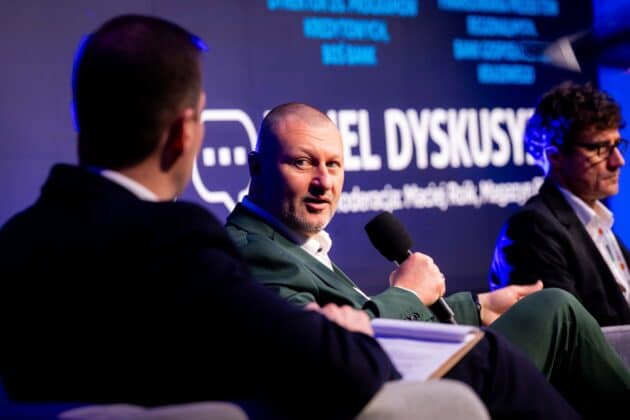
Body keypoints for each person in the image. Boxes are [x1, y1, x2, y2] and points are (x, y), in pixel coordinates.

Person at [0, 15, 405, 420]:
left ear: (79, 115)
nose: (323, 180)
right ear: (184, 132)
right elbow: (341, 372)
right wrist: (349, 333)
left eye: (333, 164)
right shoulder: (172, 243)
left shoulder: (14, 240)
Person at [225, 101, 630, 418]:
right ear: (256, 167)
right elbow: (321, 352)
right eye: (302, 162)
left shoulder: (291, 241)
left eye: (333, 164)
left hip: (407, 382)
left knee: (552, 310)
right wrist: (407, 293)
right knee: (556, 311)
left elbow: (364, 322)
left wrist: (477, 306)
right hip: (393, 401)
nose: (324, 182)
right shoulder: (252, 251)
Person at [489, 81, 630, 326]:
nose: (618, 161)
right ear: (555, 156)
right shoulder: (532, 229)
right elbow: (568, 335)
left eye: (617, 145)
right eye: (599, 148)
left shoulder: (597, 222)